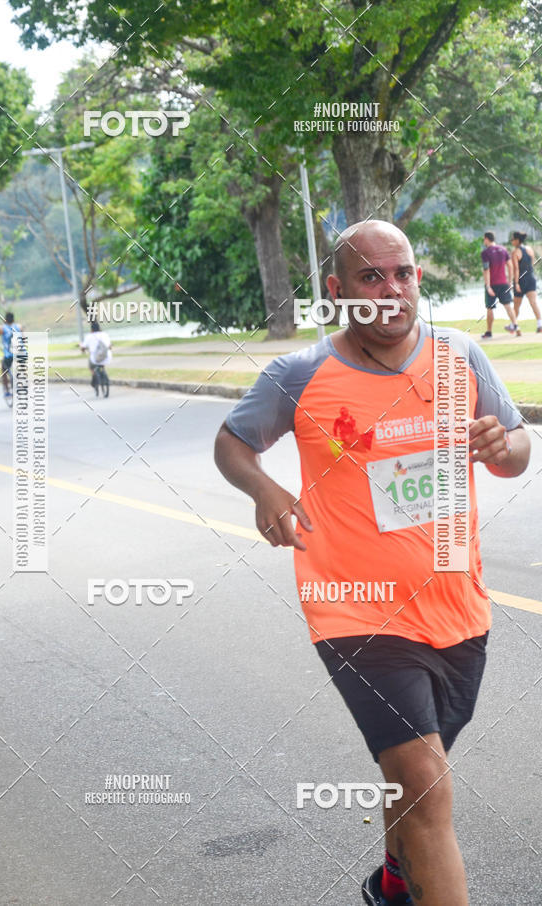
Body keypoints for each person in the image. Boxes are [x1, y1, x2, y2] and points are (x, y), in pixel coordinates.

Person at [214, 220, 531, 906]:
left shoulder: (459, 354)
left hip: (457, 608)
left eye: (404, 274)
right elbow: (232, 444)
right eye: (371, 277)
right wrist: (264, 488)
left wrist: (498, 444)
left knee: (411, 776)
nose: (392, 292)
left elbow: (516, 451)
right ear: (337, 290)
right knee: (425, 777)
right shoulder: (299, 374)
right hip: (354, 610)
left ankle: (393, 881)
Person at [480, 231, 520, 338]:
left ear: (487, 239)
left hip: (492, 284)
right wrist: (510, 281)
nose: (484, 241)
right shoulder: (503, 250)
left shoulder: (485, 253)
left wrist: (488, 286)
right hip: (503, 283)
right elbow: (510, 266)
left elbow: (486, 269)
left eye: (484, 239)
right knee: (508, 306)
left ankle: (489, 332)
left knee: (490, 308)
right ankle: (515, 325)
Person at [510, 230, 542, 332]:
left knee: (516, 305)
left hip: (520, 281)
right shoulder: (530, 249)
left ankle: (514, 325)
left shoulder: (515, 252)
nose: (511, 241)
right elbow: (532, 264)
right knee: (533, 303)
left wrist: (516, 283)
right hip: (531, 278)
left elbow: (516, 269)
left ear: (517, 240)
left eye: (512, 239)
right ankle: (540, 324)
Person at [0, 311, 23, 397]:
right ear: (13, 319)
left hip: (8, 354)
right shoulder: (19, 327)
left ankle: (7, 392)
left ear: (5, 319)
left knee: (4, 371)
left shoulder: (1, 329)